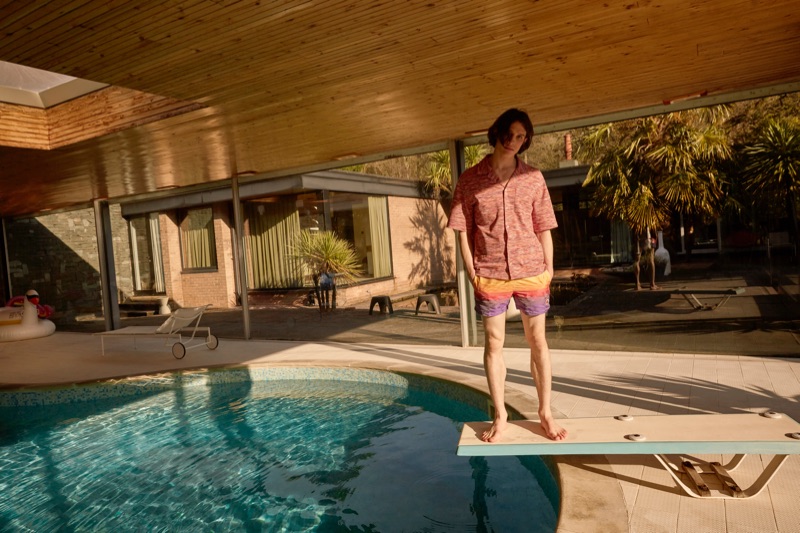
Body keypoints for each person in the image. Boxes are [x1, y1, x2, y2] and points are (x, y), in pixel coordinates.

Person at [447, 108, 567, 442]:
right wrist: (472, 271)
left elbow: (544, 226)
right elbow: (461, 228)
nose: (516, 141)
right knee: (494, 344)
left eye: (522, 137)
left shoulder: (533, 177)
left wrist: (549, 268)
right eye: (512, 134)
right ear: (497, 132)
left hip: (532, 270)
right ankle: (500, 415)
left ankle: (545, 412)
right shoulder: (470, 179)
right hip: (490, 274)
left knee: (538, 341)